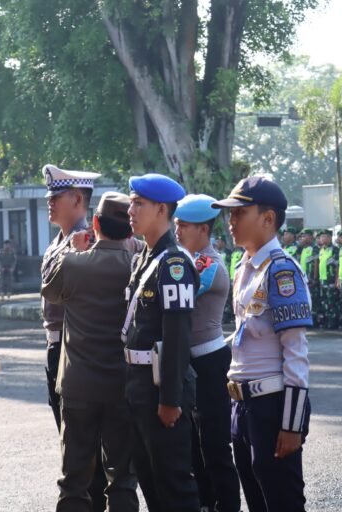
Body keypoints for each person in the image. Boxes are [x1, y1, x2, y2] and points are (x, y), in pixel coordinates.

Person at [211, 177, 312, 512]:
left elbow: (296, 354)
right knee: (256, 500)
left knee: (281, 501)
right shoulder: (245, 266)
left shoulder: (281, 271)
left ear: (268, 219)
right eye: (230, 214)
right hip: (244, 405)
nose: (231, 221)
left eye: (239, 213)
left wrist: (291, 425)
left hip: (272, 405)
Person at [42, 192, 140, 512]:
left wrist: (72, 248)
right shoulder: (139, 267)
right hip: (122, 384)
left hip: (78, 384)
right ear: (130, 230)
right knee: (123, 478)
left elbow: (50, 292)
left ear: (95, 222)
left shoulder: (74, 263)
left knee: (74, 480)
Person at [124, 173, 200, 512]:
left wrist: (170, 399)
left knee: (173, 488)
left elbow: (177, 337)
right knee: (151, 483)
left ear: (162, 209)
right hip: (137, 385)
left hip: (159, 390)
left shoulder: (173, 263)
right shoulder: (145, 257)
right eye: (131, 201)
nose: (131, 209)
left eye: (139, 203)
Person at [40, 164, 107, 511]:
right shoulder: (60, 241)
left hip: (77, 348)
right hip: (57, 348)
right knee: (71, 442)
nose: (49, 203)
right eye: (49, 197)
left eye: (57, 197)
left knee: (85, 449)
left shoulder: (88, 240)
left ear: (78, 199)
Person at [174, 194, 241, 512]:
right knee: (191, 444)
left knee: (213, 445)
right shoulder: (185, 258)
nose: (176, 231)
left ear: (202, 229)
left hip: (210, 362)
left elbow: (176, 297)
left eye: (182, 225)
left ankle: (225, 504)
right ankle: (204, 503)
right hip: (191, 361)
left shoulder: (207, 264)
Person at [317, 230, 340, 329]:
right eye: (322, 237)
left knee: (332, 302)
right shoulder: (321, 250)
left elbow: (338, 266)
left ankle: (333, 321)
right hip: (323, 280)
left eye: (325, 237)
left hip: (331, 279)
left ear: (330, 238)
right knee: (325, 301)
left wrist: (336, 280)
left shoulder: (334, 250)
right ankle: (326, 321)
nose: (323, 239)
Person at [298, 229, 319, 328]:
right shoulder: (303, 249)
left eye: (304, 236)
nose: (302, 238)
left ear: (310, 237)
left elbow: (316, 263)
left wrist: (315, 277)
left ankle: (315, 320)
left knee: (313, 299)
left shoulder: (314, 248)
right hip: (303, 278)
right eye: (302, 237)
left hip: (311, 278)